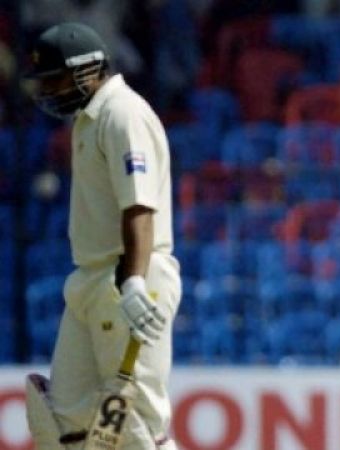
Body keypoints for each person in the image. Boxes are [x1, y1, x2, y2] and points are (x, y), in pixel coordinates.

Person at [23, 22, 180, 449]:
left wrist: (133, 281)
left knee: (135, 425)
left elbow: (139, 205)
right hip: (90, 281)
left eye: (55, 78)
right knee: (65, 423)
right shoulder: (87, 121)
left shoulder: (121, 113)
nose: (50, 91)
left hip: (126, 277)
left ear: (88, 69)